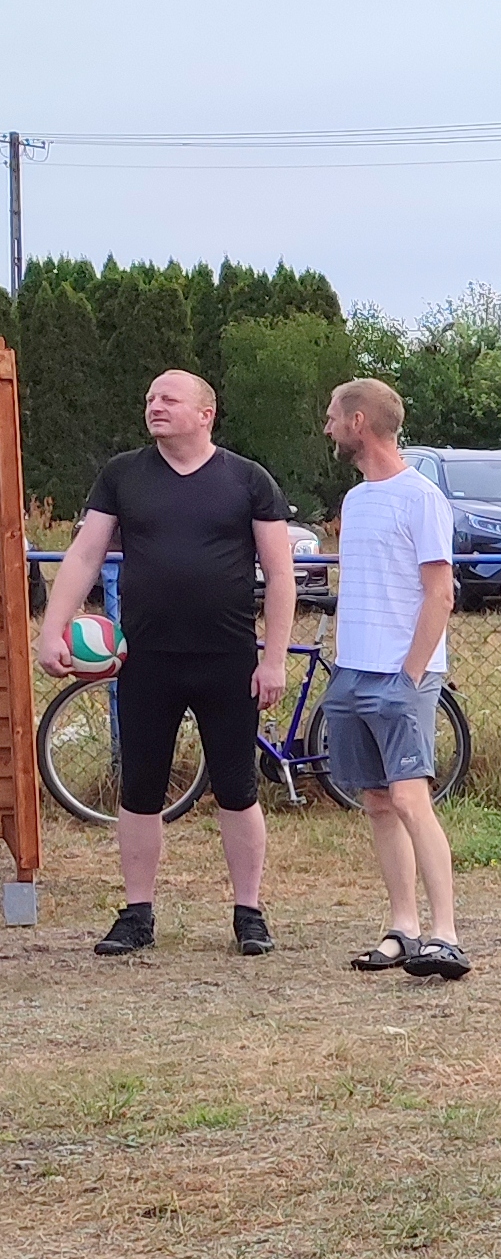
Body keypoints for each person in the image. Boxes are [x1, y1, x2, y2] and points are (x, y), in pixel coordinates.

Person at [37, 371, 294, 957]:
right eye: (150, 398)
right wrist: (53, 629)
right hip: (146, 659)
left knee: (237, 788)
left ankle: (249, 913)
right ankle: (137, 915)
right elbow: (84, 554)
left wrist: (274, 659)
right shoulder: (123, 474)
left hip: (228, 658)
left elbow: (281, 575)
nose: (155, 406)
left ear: (206, 413)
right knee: (140, 788)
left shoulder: (247, 479)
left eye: (169, 399)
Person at [320, 378, 470, 981]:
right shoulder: (356, 501)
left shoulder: (422, 497)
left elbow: (440, 593)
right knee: (378, 802)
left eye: (333, 415)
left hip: (403, 675)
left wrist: (410, 675)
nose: (327, 426)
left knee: (411, 798)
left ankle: (445, 935)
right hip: (352, 672)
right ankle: (403, 928)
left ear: (359, 422)